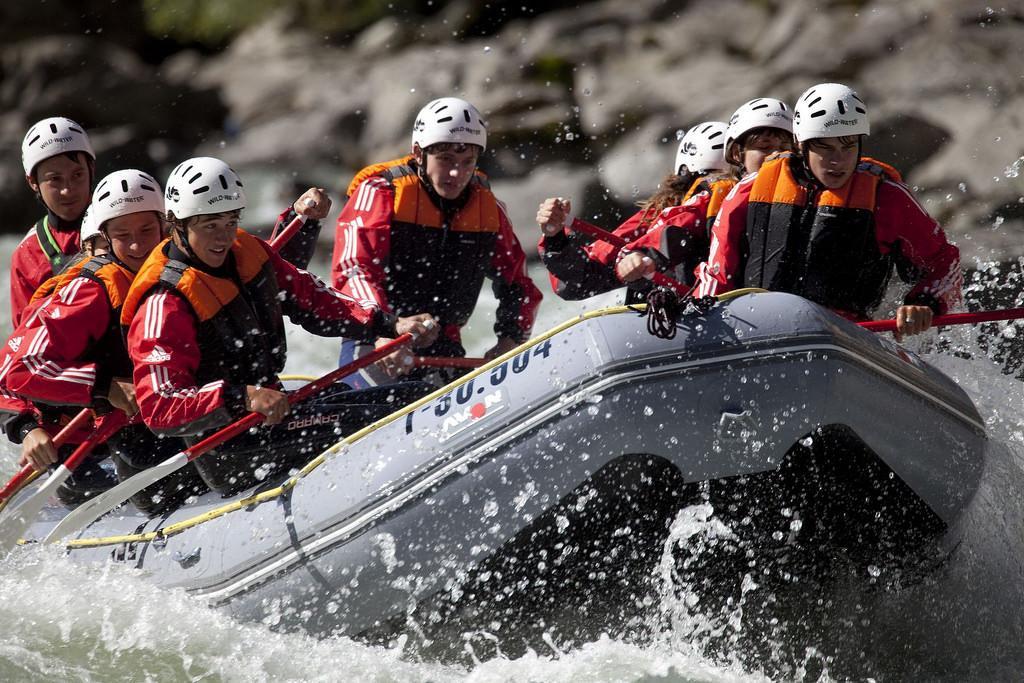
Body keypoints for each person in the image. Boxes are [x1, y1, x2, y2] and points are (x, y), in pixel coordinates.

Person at [124, 157, 438, 496]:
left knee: (413, 393)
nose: (223, 237)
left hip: (277, 414)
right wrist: (243, 398)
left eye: (230, 222)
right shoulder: (164, 303)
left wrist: (391, 324)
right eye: (209, 225)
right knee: (378, 414)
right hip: (229, 446)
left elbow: (316, 300)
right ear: (177, 224)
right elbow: (160, 405)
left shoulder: (249, 252)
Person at [695, 83, 962, 336]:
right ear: (801, 145)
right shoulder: (749, 190)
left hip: (844, 336)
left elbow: (944, 262)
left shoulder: (887, 198)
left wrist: (926, 304)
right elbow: (717, 273)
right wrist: (703, 315)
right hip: (758, 327)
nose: (838, 161)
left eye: (848, 147)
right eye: (825, 148)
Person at [330, 96, 542, 388]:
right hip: (374, 341)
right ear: (419, 154)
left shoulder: (487, 208)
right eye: (446, 160)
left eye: (467, 162)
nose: (457, 173)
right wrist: (385, 330)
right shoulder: (381, 192)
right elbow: (355, 269)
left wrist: (509, 340)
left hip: (444, 345)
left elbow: (519, 284)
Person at [537, 121, 737, 300]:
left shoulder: (750, 200)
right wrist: (555, 239)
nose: (712, 189)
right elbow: (579, 281)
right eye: (707, 181)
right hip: (677, 317)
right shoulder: (656, 215)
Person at [614, 99, 794, 284]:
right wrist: (639, 255)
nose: (776, 155)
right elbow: (675, 228)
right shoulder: (716, 193)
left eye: (784, 148)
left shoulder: (805, 190)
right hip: (716, 300)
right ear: (736, 155)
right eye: (764, 148)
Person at [11, 117, 96, 327]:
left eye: (77, 175)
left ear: (91, 169)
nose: (68, 190)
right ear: (33, 182)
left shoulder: (129, 222)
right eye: (55, 179)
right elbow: (24, 338)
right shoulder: (27, 255)